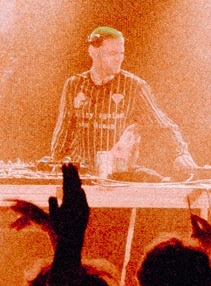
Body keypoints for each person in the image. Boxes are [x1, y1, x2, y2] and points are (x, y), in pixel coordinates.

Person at [48, 28, 197, 181]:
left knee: (159, 184)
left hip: (119, 174)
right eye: (112, 53)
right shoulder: (74, 84)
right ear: (93, 52)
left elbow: (162, 125)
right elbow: (64, 129)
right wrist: (56, 161)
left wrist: (180, 153)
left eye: (121, 53)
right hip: (82, 174)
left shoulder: (134, 86)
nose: (118, 59)